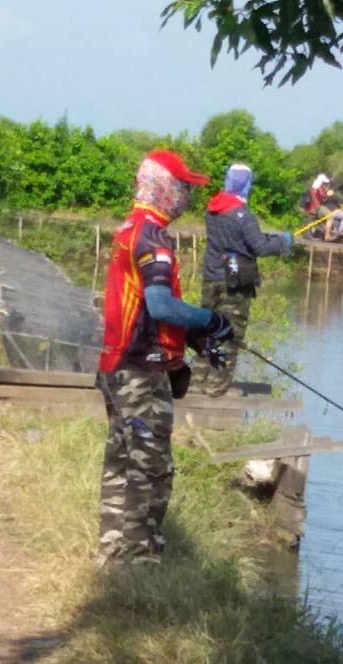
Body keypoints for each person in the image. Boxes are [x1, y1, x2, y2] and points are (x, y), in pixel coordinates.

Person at [96, 149, 233, 566]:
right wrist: (212, 321)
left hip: (117, 367)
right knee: (150, 469)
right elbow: (159, 305)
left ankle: (111, 555)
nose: (187, 198)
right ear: (163, 187)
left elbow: (140, 308)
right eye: (184, 188)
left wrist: (189, 336)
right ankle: (140, 562)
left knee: (121, 463)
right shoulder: (153, 238)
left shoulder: (130, 228)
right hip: (140, 371)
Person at [194, 162, 292, 396]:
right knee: (230, 334)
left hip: (211, 277)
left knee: (207, 330)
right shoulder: (243, 215)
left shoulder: (213, 209)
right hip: (233, 282)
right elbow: (258, 246)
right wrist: (283, 243)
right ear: (246, 184)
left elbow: (236, 241)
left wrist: (271, 239)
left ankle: (198, 380)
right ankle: (216, 388)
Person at [308, 173, 343, 243]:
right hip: (318, 207)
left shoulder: (315, 187)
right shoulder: (318, 188)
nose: (325, 184)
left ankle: (330, 231)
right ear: (321, 181)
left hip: (317, 206)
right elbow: (322, 198)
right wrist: (328, 195)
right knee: (330, 216)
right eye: (324, 183)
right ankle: (327, 236)